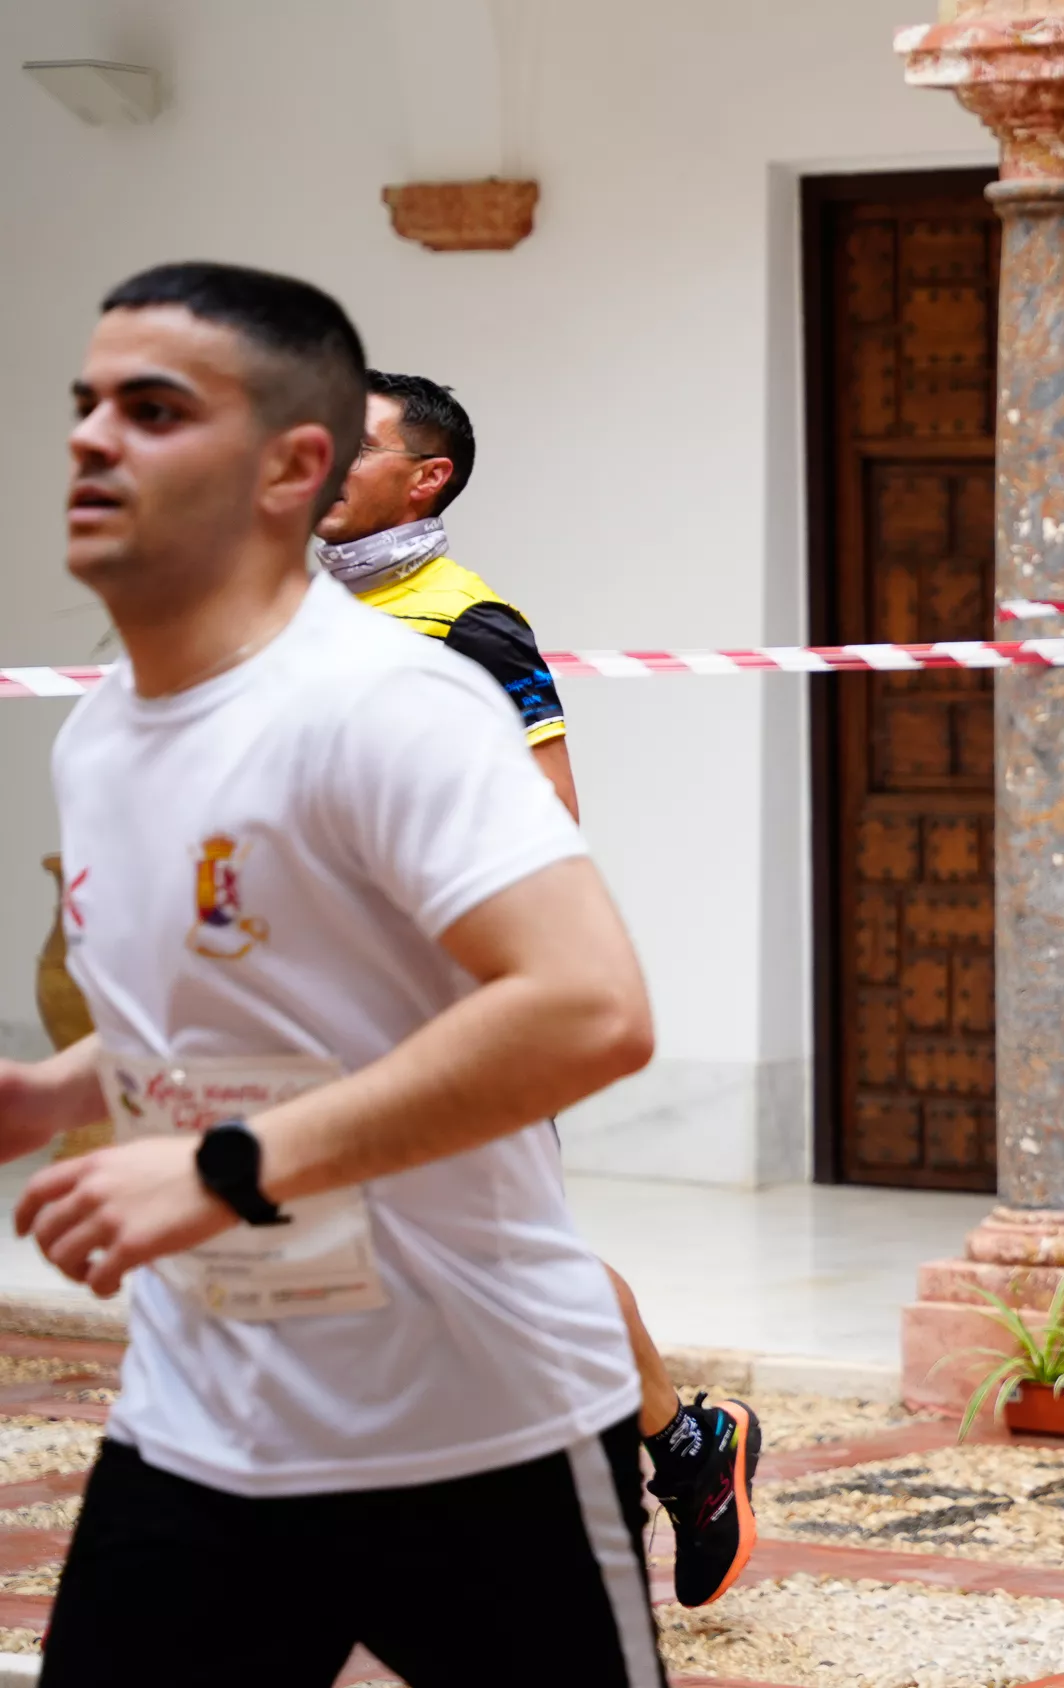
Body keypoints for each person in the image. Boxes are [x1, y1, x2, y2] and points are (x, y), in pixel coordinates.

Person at [11, 260, 669, 1682]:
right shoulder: (101, 734)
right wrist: (48, 1094)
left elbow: (591, 1009)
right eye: (85, 406)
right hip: (198, 1425)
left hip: (476, 1425)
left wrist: (225, 1168)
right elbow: (227, 1000)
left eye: (154, 407)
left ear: (293, 465)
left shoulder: (396, 697)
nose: (90, 439)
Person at [310, 368, 760, 1604]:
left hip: (447, 1004)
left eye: (356, 443)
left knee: (502, 1253)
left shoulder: (468, 621)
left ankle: (665, 1444)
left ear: (425, 476)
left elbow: (550, 812)